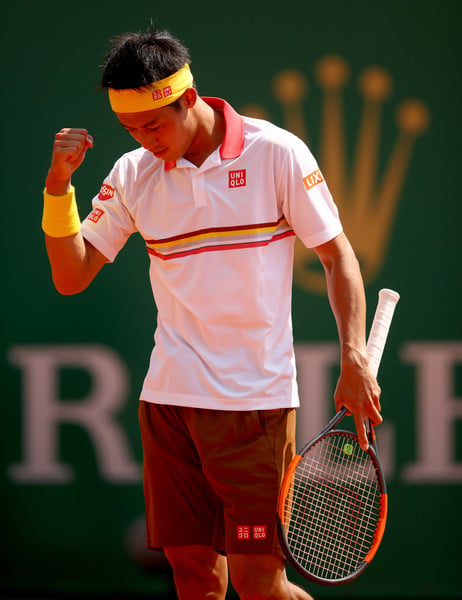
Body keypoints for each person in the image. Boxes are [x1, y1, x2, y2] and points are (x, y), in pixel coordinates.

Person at [42, 25, 381, 600]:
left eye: (154, 125)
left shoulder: (277, 152)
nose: (145, 141)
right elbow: (71, 276)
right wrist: (57, 187)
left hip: (255, 408)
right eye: (131, 129)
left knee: (260, 585)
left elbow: (337, 257)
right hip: (169, 404)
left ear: (190, 99)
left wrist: (353, 355)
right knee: (194, 580)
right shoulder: (132, 173)